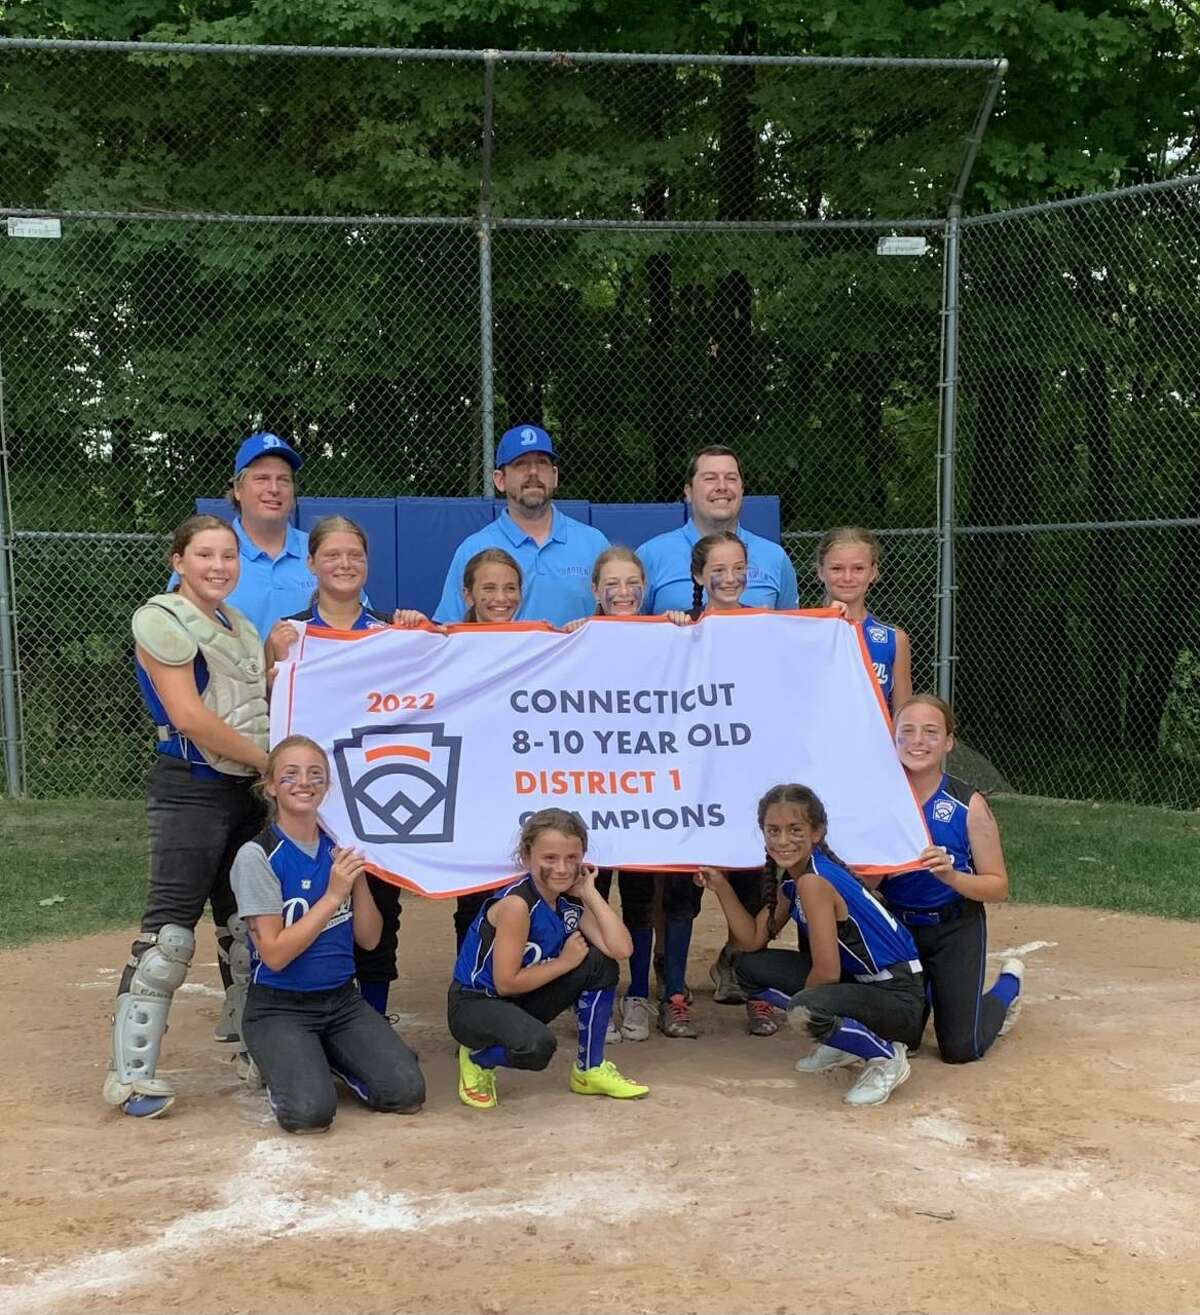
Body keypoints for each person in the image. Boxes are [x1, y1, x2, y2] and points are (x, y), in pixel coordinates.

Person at [102, 515, 270, 1119]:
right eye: (205, 555)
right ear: (179, 561)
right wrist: (269, 761)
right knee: (171, 930)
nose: (219, 565)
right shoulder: (161, 619)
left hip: (245, 788)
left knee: (249, 928)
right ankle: (132, 1074)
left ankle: (260, 1048)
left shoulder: (242, 625)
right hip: (192, 786)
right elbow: (191, 717)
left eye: (228, 555)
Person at [230, 735, 426, 1134]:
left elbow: (369, 940)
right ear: (270, 786)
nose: (304, 782)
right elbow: (275, 955)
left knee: (406, 1093)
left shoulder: (336, 849)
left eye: (315, 774)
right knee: (310, 1116)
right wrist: (333, 893)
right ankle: (282, 1064)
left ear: (327, 787)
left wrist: (355, 882)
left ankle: (330, 1055)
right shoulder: (257, 856)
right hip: (279, 1007)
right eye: (291, 775)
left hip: (341, 1002)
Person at [275, 515, 425, 1018]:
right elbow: (272, 711)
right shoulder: (291, 635)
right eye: (333, 555)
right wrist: (272, 663)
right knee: (306, 903)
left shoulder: (390, 632)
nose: (345, 564)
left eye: (355, 556)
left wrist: (420, 635)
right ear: (312, 562)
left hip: (375, 791)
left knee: (379, 907)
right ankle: (297, 1017)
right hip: (309, 796)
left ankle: (373, 1020)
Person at [697, 784, 925, 1108]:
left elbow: (827, 972)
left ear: (816, 832)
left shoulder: (814, 881)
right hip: (867, 986)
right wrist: (720, 886)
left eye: (795, 830)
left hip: (899, 997)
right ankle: (845, 1038)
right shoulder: (795, 881)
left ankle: (886, 1056)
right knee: (745, 969)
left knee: (808, 1007)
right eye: (772, 830)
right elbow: (750, 941)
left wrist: (806, 1009)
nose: (782, 840)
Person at [564, 545, 691, 1042]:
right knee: (586, 892)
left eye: (633, 582)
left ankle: (638, 994)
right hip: (590, 793)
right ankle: (591, 994)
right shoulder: (575, 638)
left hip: (645, 795)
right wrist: (562, 641)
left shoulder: (668, 633)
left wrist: (685, 630)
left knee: (640, 899)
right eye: (612, 584)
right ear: (595, 590)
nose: (623, 592)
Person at [653, 531, 775, 1038]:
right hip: (694, 785)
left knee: (752, 888)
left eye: (739, 567)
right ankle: (674, 992)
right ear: (699, 577)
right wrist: (672, 631)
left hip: (749, 783)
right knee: (683, 892)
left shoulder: (769, 627)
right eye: (718, 569)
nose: (730, 577)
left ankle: (756, 988)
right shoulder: (683, 630)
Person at [449, 808, 649, 1109]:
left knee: (600, 962)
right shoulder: (517, 904)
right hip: (477, 1004)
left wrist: (590, 893)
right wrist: (564, 963)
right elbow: (505, 983)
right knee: (538, 1048)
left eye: (572, 858)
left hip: (520, 999)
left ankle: (589, 1069)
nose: (562, 868)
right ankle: (478, 1058)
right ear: (526, 857)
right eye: (550, 858)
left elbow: (621, 949)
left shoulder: (568, 900)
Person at [879, 695, 1024, 1062]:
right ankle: (925, 992)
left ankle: (1007, 989)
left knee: (961, 1049)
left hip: (953, 926)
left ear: (948, 742)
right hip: (898, 929)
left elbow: (997, 885)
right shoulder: (879, 799)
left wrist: (951, 876)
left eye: (931, 732)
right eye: (906, 731)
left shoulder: (967, 803)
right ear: (891, 738)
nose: (917, 741)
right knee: (899, 1042)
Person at [432, 424, 609, 627]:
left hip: (576, 660)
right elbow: (449, 632)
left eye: (541, 463)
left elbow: (616, 622)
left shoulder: (594, 544)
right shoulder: (474, 549)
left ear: (555, 476)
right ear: (500, 480)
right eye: (521, 464)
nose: (533, 472)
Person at [451, 548, 526, 950]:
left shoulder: (540, 643)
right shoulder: (445, 644)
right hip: (471, 794)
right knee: (475, 897)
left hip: (523, 788)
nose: (501, 598)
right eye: (489, 588)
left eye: (511, 588)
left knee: (525, 892)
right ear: (468, 595)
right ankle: (471, 982)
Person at [638, 445, 798, 614]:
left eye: (731, 478)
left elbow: (790, 630)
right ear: (688, 492)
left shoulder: (775, 557)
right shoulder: (651, 556)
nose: (722, 486)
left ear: (742, 490)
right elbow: (631, 629)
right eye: (710, 478)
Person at [816, 526, 911, 715]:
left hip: (873, 744)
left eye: (858, 568)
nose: (847, 578)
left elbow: (903, 717)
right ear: (821, 571)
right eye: (836, 568)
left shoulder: (893, 639)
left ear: (873, 572)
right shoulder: (801, 631)